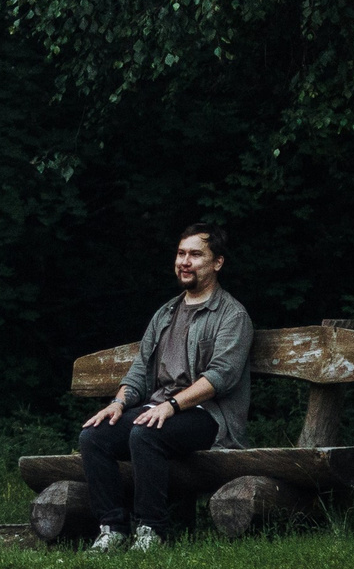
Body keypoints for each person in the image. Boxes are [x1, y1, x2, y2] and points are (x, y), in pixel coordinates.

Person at [76, 221, 254, 551]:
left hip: (209, 417)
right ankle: (112, 529)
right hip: (159, 409)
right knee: (94, 436)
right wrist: (118, 403)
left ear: (217, 263)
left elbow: (220, 378)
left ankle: (150, 531)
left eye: (196, 255)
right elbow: (139, 374)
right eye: (181, 253)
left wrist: (171, 406)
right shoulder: (166, 314)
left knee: (145, 434)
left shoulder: (232, 315)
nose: (185, 261)